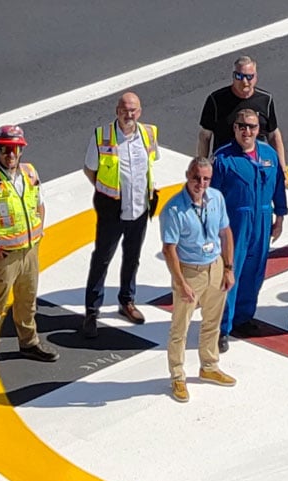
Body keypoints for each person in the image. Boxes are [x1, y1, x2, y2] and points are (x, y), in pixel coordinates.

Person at [0, 125, 59, 383]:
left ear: (21, 150)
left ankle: (29, 343)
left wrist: (37, 237)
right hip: (2, 258)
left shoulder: (30, 173)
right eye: (5, 149)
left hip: (30, 252)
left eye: (14, 149)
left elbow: (39, 204)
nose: (10, 154)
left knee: (27, 301)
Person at [80, 92, 159, 338]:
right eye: (125, 110)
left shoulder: (148, 134)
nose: (129, 114)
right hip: (112, 209)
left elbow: (150, 164)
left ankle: (127, 300)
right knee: (102, 258)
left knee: (132, 257)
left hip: (139, 207)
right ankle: (92, 311)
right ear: (117, 111)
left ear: (140, 111)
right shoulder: (102, 136)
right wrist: (107, 192)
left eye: (133, 110)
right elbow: (90, 170)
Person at [210, 108, 288, 352]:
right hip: (234, 224)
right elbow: (212, 197)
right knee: (229, 276)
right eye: (242, 126)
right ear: (234, 128)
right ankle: (221, 328)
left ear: (258, 130)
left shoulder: (269, 155)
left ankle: (243, 318)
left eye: (252, 127)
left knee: (254, 273)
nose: (247, 131)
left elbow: (278, 188)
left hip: (262, 220)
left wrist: (280, 217)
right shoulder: (223, 158)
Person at [160, 158, 236, 402]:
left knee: (212, 321)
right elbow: (169, 249)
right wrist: (181, 283)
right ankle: (177, 376)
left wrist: (228, 268)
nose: (200, 184)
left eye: (205, 179)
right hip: (190, 271)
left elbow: (225, 232)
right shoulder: (173, 209)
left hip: (214, 267)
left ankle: (209, 366)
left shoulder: (217, 198)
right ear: (187, 175)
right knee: (180, 328)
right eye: (196, 178)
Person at [198, 55, 286, 172]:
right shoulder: (216, 100)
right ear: (233, 76)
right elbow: (205, 136)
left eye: (249, 77)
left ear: (256, 77)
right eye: (239, 76)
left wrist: (282, 169)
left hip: (257, 166)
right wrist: (201, 168)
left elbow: (273, 135)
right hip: (226, 166)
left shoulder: (266, 100)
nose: (244, 81)